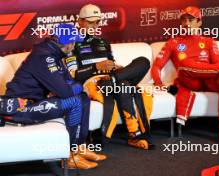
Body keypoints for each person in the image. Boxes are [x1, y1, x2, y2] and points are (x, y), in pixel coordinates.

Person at [0, 24, 106, 169]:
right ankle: (70, 157)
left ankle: (79, 147)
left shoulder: (54, 53)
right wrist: (82, 86)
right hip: (20, 108)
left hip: (34, 102)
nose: (74, 45)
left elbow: (68, 82)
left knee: (82, 98)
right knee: (74, 101)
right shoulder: (44, 56)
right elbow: (65, 92)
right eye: (73, 41)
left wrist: (80, 88)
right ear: (66, 43)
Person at [151, 6, 219, 144]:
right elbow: (157, 66)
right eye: (184, 20)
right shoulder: (173, 42)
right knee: (184, 64)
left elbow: (218, 67)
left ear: (199, 22)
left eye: (191, 19)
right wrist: (159, 84)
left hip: (208, 81)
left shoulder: (209, 42)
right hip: (189, 80)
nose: (187, 23)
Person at [64, 4, 154, 150]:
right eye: (90, 22)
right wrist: (96, 67)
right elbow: (74, 75)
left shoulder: (103, 42)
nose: (94, 25)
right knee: (123, 85)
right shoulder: (70, 43)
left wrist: (116, 68)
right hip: (93, 82)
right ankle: (134, 135)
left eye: (97, 22)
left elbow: (111, 63)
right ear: (80, 21)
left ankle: (114, 79)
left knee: (143, 61)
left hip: (112, 78)